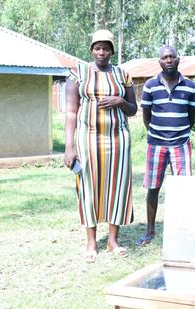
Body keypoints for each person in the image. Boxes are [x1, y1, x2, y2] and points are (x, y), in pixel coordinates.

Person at [64, 30, 137, 263]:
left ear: (112, 51)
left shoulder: (122, 75)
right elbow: (72, 112)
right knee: (88, 187)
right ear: (91, 49)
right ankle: (91, 242)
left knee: (118, 186)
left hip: (118, 139)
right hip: (88, 139)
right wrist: (69, 146)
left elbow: (133, 109)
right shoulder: (78, 72)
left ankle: (113, 240)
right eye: (97, 48)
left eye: (106, 48)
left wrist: (121, 101)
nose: (102, 52)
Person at [135, 46, 195, 246]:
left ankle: (182, 229)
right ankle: (150, 230)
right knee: (153, 187)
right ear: (159, 62)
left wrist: (178, 133)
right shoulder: (150, 86)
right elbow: (146, 116)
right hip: (156, 144)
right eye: (165, 57)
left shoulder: (191, 87)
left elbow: (192, 118)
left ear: (178, 60)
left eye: (172, 56)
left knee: (184, 188)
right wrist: (157, 133)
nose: (169, 60)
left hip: (181, 144)